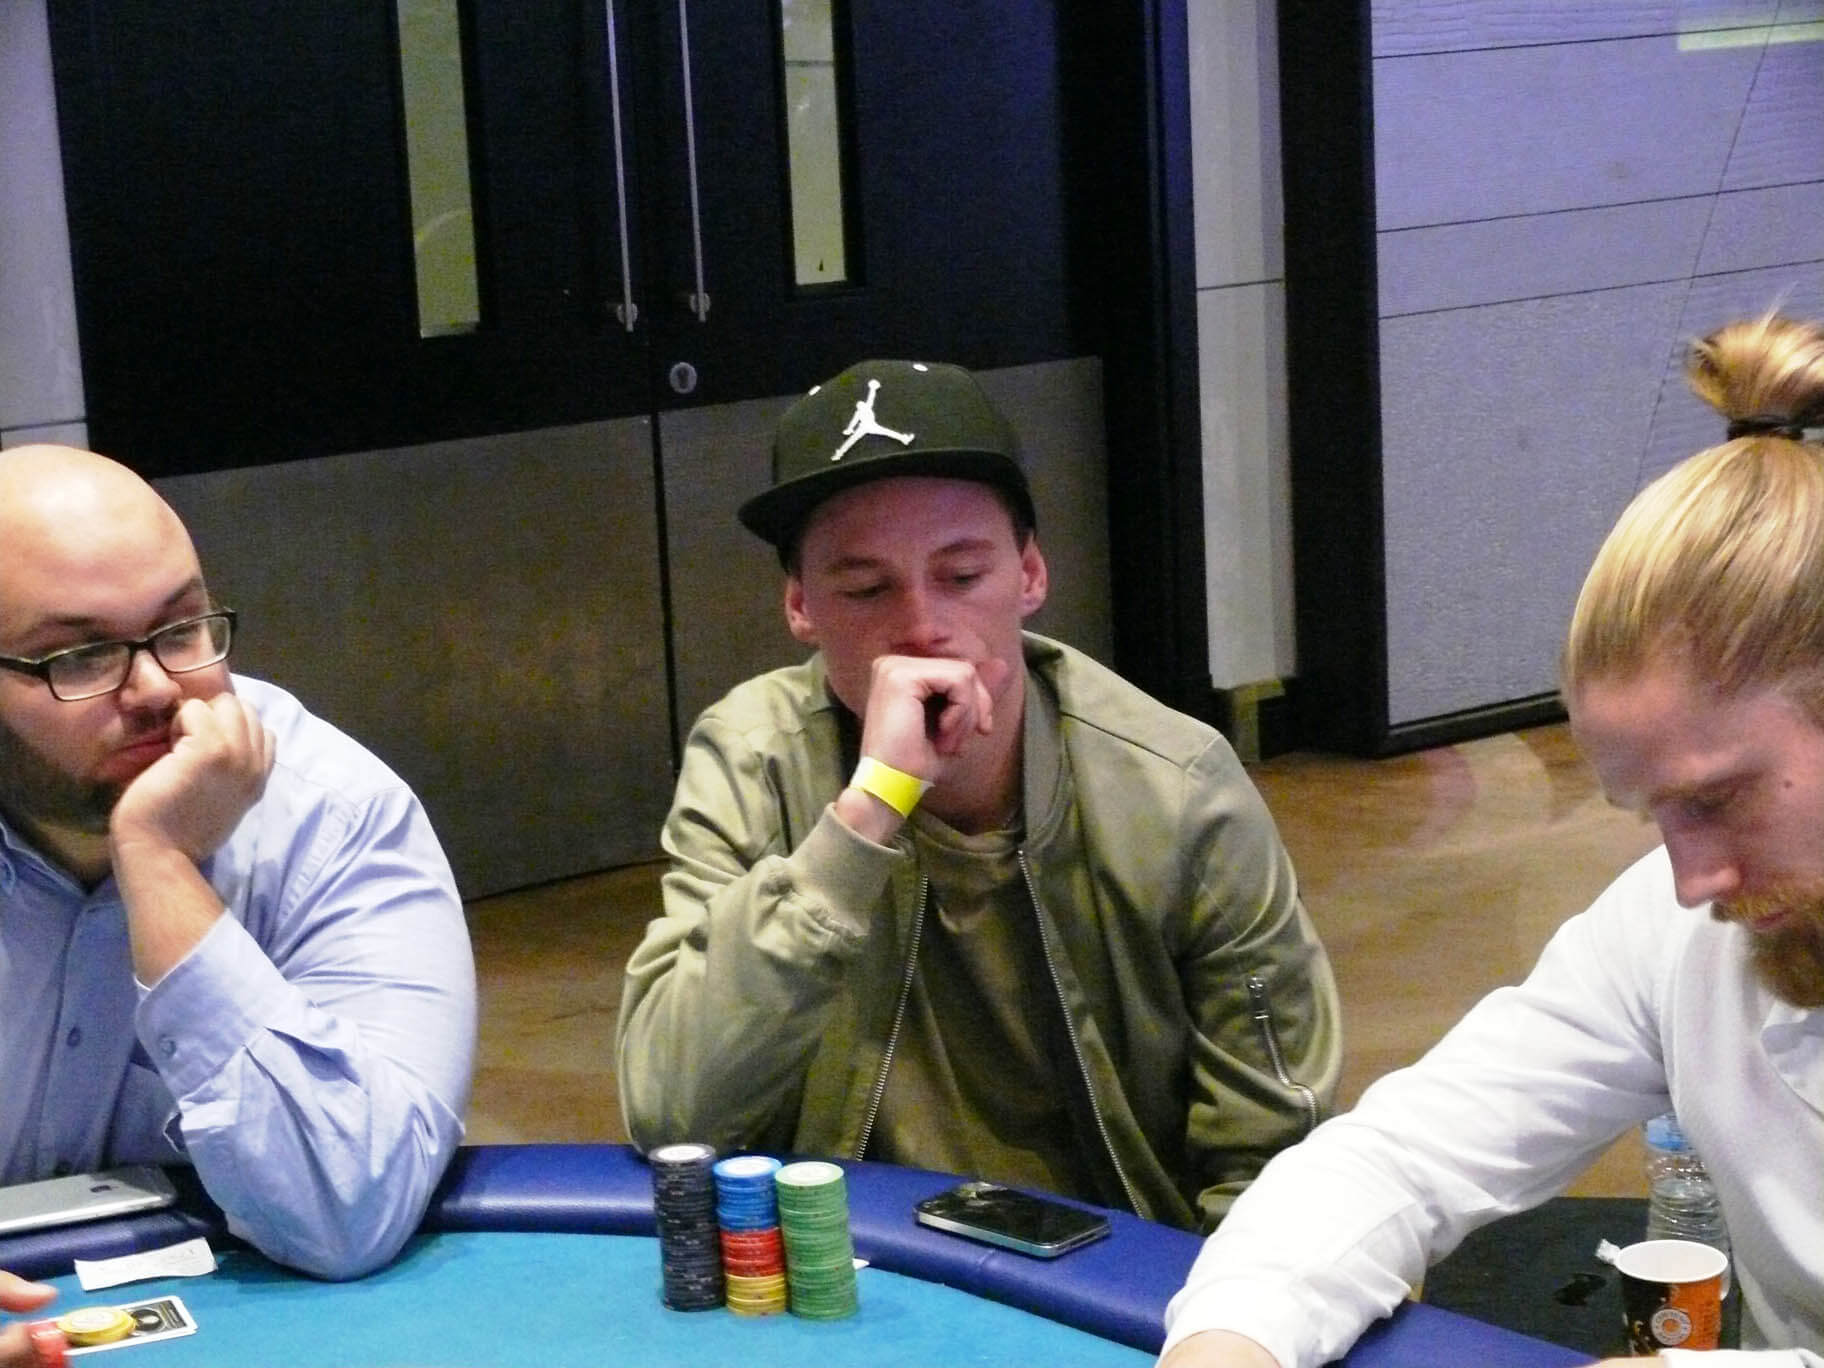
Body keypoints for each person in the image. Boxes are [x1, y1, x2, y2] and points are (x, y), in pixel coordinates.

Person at [1159, 311, 1824, 1368]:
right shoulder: (1676, 930)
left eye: (1717, 799)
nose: (1691, 881)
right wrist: (1230, 1341)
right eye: (1651, 814)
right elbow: (1397, 1160)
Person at [617, 359, 1341, 1231]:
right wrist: (867, 813)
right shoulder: (751, 759)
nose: (922, 625)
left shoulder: (1178, 786)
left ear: (1029, 575)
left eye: (962, 576)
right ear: (801, 607)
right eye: (866, 588)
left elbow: (1277, 1153)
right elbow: (672, 1114)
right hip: (845, 1260)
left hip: (1123, 1268)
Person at [0, 446, 476, 1358]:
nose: (154, 690)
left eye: (180, 630)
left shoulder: (335, 815)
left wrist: (160, 863)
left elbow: (348, 1211)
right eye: (82, 656)